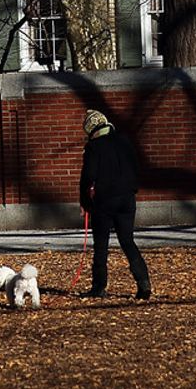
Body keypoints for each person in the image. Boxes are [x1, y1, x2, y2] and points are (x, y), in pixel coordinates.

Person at [78, 109, 151, 299]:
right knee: (127, 241)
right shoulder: (125, 141)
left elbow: (87, 177)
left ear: (91, 129)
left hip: (104, 201)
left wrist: (85, 202)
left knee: (101, 246)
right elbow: (136, 167)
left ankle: (99, 287)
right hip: (127, 199)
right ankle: (144, 284)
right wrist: (132, 189)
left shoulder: (94, 147)